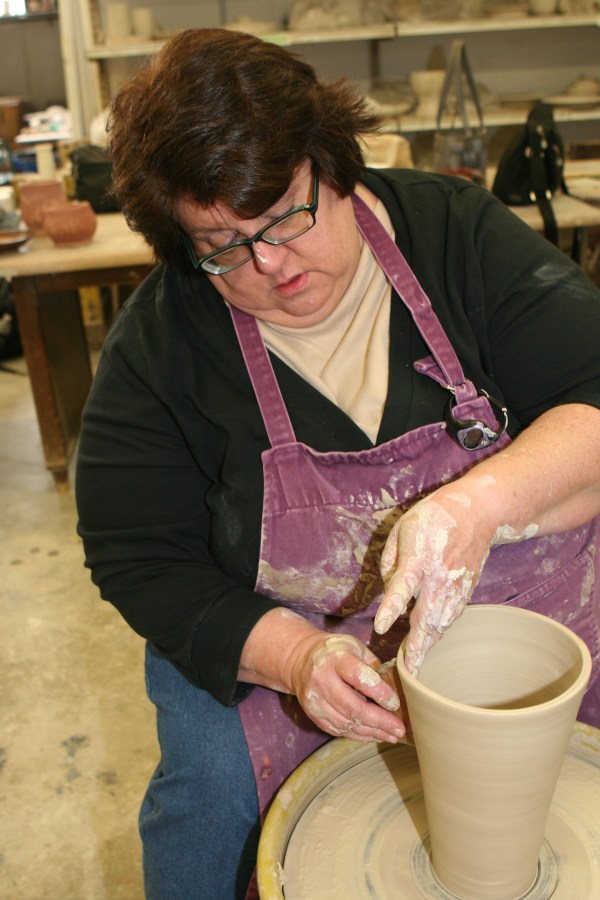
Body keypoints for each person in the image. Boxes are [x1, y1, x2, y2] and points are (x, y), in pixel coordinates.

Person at [75, 27, 600, 900]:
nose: (270, 264)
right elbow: (138, 554)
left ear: (335, 164)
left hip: (529, 600)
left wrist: (478, 506)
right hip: (296, 639)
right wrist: (294, 661)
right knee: (202, 815)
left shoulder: (456, 235)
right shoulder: (162, 346)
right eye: (223, 244)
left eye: (286, 214)